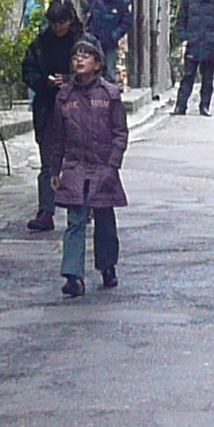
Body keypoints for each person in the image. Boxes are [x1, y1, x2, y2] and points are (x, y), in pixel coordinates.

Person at [48, 38, 128, 298]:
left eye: (85, 55)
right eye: (75, 56)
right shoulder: (64, 97)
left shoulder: (109, 94)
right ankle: (73, 275)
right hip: (74, 168)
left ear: (97, 62)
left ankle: (107, 266)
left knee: (104, 220)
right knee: (75, 221)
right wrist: (54, 170)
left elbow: (120, 133)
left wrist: (113, 164)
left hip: (103, 166)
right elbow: (57, 138)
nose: (79, 60)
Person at [20, 0, 85, 232]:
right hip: (48, 108)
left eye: (62, 22)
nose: (58, 27)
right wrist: (44, 83)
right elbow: (28, 70)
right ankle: (46, 211)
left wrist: (69, 80)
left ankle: (80, 207)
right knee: (49, 162)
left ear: (70, 20)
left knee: (78, 160)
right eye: (54, 23)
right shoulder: (40, 43)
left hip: (79, 108)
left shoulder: (82, 43)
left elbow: (97, 72)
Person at [82, 0, 131, 82]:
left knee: (109, 69)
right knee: (91, 68)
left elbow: (126, 23)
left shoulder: (122, 2)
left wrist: (115, 35)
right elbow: (86, 12)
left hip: (110, 41)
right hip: (93, 39)